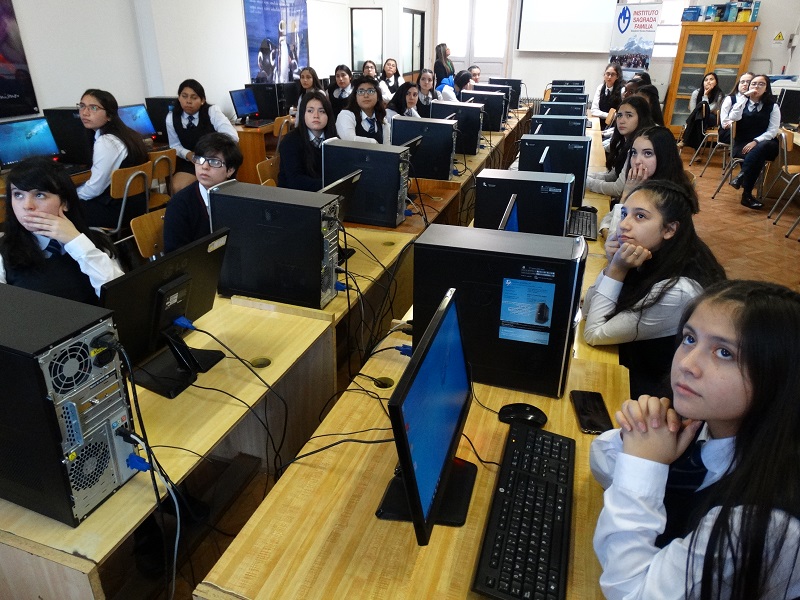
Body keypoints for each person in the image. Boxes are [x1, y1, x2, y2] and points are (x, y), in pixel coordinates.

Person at [591, 279, 800, 600]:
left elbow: (632, 594)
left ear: (780, 376)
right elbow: (601, 463)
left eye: (724, 352)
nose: (686, 364)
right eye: (689, 338)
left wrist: (643, 464)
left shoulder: (765, 520)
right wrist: (642, 441)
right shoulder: (702, 419)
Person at [583, 179, 726, 398]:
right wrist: (611, 265)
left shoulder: (678, 290)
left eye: (640, 216)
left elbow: (594, 333)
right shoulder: (650, 255)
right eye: (625, 214)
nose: (624, 225)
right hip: (631, 362)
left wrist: (616, 270)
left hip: (653, 393)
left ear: (669, 229)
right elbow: (587, 312)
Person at [1, 157, 123, 304]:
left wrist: (76, 242)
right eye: (18, 195)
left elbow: (119, 297)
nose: (27, 206)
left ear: (64, 202)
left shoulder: (93, 241)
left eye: (39, 195)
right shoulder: (4, 252)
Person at [598, 126, 695, 237]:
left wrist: (626, 194)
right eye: (634, 153)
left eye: (647, 153)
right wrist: (606, 229)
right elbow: (607, 221)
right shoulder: (644, 182)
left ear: (663, 157)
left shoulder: (665, 198)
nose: (637, 161)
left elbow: (618, 238)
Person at [75, 89, 149, 229]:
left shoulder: (107, 142)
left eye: (93, 108)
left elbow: (95, 189)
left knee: (60, 208)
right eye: (82, 106)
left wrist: (70, 196)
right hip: (137, 205)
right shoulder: (128, 134)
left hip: (119, 212)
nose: (85, 112)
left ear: (109, 116)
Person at [163, 132, 243, 253]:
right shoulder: (180, 204)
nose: (204, 166)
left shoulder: (240, 196)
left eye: (214, 162)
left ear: (230, 170)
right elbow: (175, 254)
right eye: (200, 159)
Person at [167, 79, 239, 194]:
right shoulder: (171, 117)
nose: (188, 101)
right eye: (184, 96)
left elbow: (232, 136)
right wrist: (189, 155)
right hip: (190, 161)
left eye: (194, 97)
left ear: (202, 100)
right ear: (179, 97)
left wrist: (212, 154)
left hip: (214, 161)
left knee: (211, 187)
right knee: (178, 188)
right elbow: (174, 145)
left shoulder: (212, 111)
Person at [726, 74, 781, 209]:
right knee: (757, 157)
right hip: (742, 144)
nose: (756, 86)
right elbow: (733, 117)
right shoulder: (741, 102)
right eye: (754, 84)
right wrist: (744, 97)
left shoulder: (773, 107)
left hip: (766, 143)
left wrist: (756, 141)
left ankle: (741, 176)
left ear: (767, 88)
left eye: (761, 84)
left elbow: (772, 131)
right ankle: (747, 195)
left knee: (762, 147)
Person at [588, 96, 654, 199]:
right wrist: (586, 177)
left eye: (629, 115)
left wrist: (588, 183)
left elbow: (618, 189)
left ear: (641, 118)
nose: (621, 121)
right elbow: (613, 176)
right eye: (619, 115)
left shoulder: (639, 148)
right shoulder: (625, 141)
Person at [278, 90, 336, 192]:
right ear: (303, 114)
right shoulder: (290, 142)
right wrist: (330, 184)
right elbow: (295, 181)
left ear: (328, 115)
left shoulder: (333, 139)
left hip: (325, 196)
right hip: (295, 198)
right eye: (310, 111)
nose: (316, 116)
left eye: (322, 111)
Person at [335, 76, 391, 144]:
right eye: (361, 91)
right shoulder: (346, 115)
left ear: (378, 96)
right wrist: (373, 143)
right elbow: (349, 140)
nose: (366, 95)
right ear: (355, 97)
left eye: (370, 91)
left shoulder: (382, 119)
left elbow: (387, 148)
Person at [679, 72, 724, 149]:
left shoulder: (719, 94)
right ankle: (697, 152)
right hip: (698, 118)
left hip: (712, 119)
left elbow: (712, 110)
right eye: (706, 80)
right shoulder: (696, 93)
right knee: (699, 121)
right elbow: (693, 111)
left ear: (716, 82)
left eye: (711, 79)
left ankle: (684, 140)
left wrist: (705, 96)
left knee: (700, 112)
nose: (708, 82)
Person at [719, 72, 754, 144]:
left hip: (749, 132)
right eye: (742, 82)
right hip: (730, 132)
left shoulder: (756, 101)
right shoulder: (730, 99)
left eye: (748, 82)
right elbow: (725, 123)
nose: (745, 84)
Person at [591, 63, 624, 131]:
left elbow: (621, 114)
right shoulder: (600, 88)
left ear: (617, 77)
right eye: (607, 74)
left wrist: (611, 116)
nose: (609, 77)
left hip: (615, 127)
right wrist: (609, 116)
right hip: (599, 123)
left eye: (612, 74)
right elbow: (594, 110)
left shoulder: (622, 90)